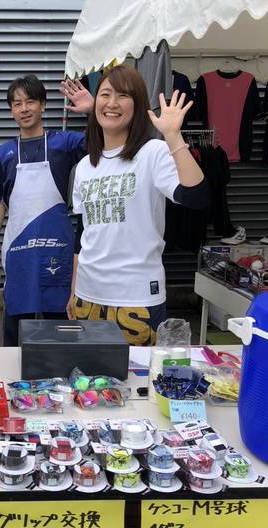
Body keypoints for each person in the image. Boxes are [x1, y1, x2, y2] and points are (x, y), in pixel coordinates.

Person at [66, 65, 208, 345]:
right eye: (105, 95)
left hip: (137, 299)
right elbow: (82, 235)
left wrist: (173, 136)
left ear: (139, 105)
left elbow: (196, 197)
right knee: (90, 372)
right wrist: (73, 290)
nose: (112, 102)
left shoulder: (153, 152)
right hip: (88, 295)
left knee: (136, 372)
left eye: (123, 96)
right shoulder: (85, 166)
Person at [0, 74, 86, 346]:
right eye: (17, 104)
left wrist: (91, 110)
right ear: (11, 111)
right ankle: (13, 365)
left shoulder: (63, 143)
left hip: (57, 245)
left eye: (30, 101)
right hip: (18, 246)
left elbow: (101, 143)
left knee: (59, 316)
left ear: (43, 105)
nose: (24, 109)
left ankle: (61, 367)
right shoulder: (4, 153)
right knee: (16, 317)